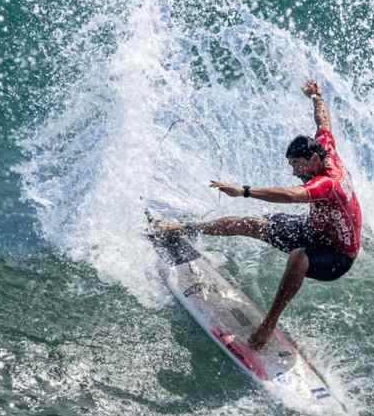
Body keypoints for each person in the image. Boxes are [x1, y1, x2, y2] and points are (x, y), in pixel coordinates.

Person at [152, 79, 362, 348]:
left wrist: (244, 191)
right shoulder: (324, 148)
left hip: (337, 255)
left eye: (296, 165)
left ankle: (268, 325)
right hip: (314, 230)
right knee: (251, 223)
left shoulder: (328, 183)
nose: (294, 171)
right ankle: (181, 229)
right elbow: (324, 123)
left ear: (312, 160)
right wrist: (317, 96)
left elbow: (291, 195)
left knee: (299, 258)